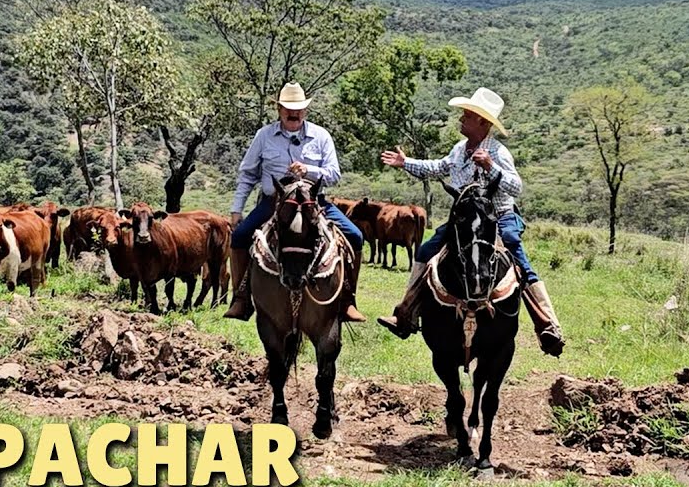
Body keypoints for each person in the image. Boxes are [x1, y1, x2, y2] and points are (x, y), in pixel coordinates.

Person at [376, 87, 564, 357]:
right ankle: (405, 313)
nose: (461, 119)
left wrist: (491, 167)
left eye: (467, 116)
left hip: (498, 217)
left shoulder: (497, 152)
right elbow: (439, 167)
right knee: (426, 251)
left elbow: (516, 187)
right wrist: (406, 163)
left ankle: (547, 324)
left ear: (483, 123)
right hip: (463, 220)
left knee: (513, 248)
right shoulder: (459, 149)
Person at [224, 82, 366, 322]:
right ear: (279, 109)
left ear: (306, 111)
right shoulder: (264, 135)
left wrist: (309, 169)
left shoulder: (320, 136)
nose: (294, 113)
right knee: (239, 237)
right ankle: (241, 298)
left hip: (314, 203)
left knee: (354, 236)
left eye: (299, 109)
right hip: (274, 203)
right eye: (289, 108)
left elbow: (333, 174)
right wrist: (237, 209)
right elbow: (248, 174)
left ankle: (347, 299)